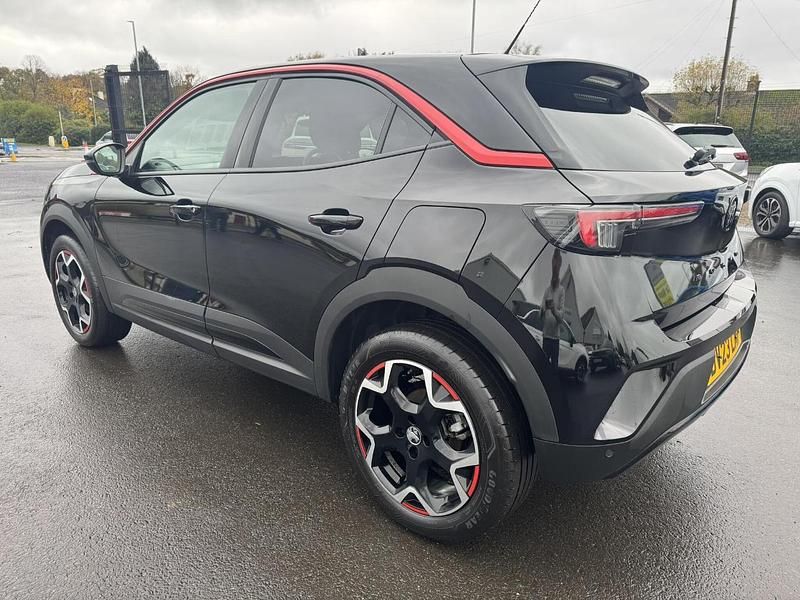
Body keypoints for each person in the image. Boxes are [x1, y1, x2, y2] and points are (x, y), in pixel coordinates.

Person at [540, 249, 565, 371]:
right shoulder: (547, 290)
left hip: (555, 338)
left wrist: (554, 309)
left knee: (554, 366)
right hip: (546, 336)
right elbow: (540, 314)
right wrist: (544, 308)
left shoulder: (561, 291)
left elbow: (561, 318)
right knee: (544, 365)